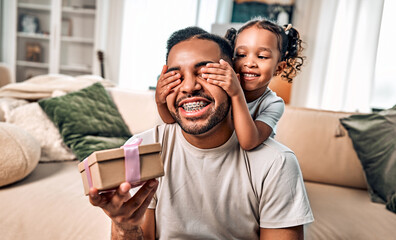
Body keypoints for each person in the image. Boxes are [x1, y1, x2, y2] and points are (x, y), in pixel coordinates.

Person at [89, 26, 314, 239]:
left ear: (235, 79)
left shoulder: (276, 163)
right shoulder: (142, 150)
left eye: (206, 73)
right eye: (176, 76)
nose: (188, 87)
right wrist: (124, 227)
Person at [155, 19, 304, 151]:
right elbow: (172, 120)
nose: (249, 63)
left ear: (279, 68)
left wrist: (236, 93)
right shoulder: (218, 89)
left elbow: (248, 142)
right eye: (241, 55)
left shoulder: (273, 104)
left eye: (262, 56)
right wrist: (160, 100)